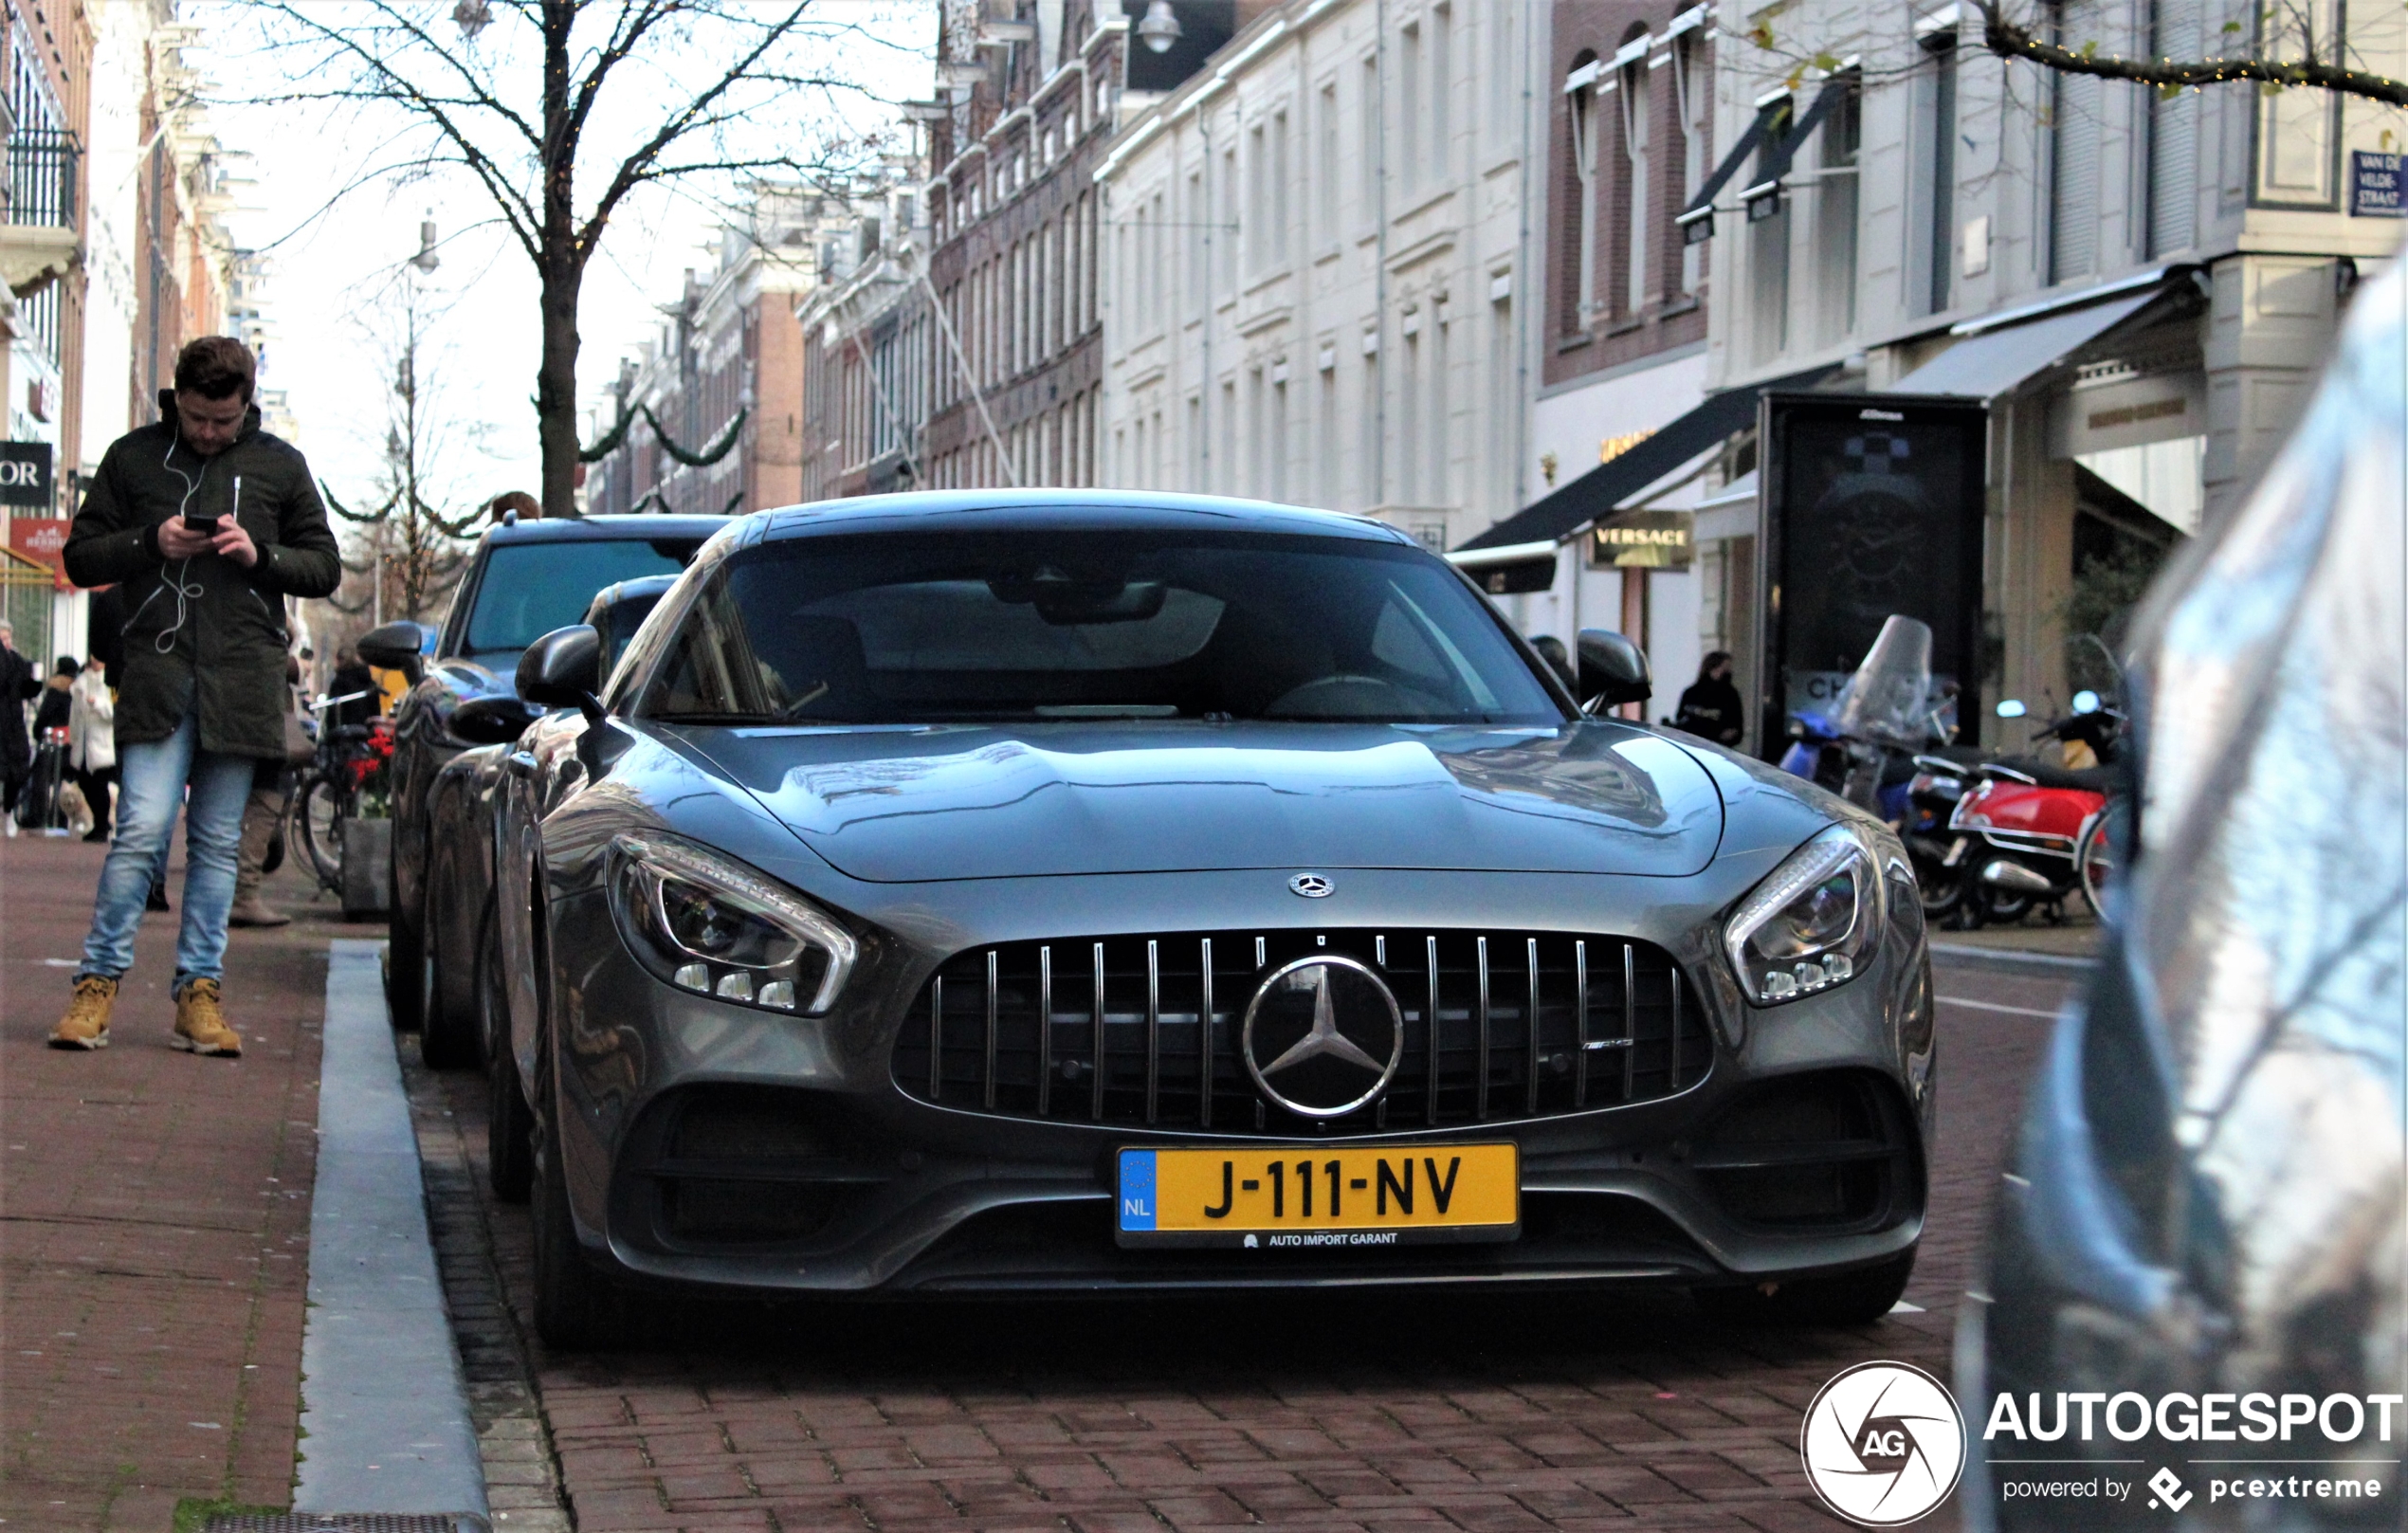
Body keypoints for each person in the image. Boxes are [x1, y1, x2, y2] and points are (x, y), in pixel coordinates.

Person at [47, 336, 340, 1056]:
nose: (209, 432)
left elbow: (325, 566)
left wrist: (259, 555)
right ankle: (96, 983)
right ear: (176, 398)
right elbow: (80, 556)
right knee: (141, 829)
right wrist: (152, 542)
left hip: (241, 679)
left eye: (224, 420)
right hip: (158, 671)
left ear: (246, 407)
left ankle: (199, 992)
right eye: (197, 418)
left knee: (215, 843)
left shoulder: (279, 465)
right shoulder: (133, 457)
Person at [67, 652, 115, 841]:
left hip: (102, 742)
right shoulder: (81, 682)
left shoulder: (111, 680)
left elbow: (114, 711)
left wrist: (99, 705)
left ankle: (102, 824)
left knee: (100, 785)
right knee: (86, 783)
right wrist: (74, 737)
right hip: (84, 743)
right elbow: (75, 715)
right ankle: (99, 822)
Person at [0, 619, 38, 834]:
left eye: (7, 638)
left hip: (14, 724)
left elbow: (26, 688)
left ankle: (9, 810)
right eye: (2, 638)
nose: (6, 642)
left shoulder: (17, 660)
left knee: (19, 769)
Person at [1672, 650, 1747, 747]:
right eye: (1725, 667)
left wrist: (1731, 734)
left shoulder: (1731, 694)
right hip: (1695, 745)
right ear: (1713, 668)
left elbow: (1737, 725)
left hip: (1721, 747)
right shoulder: (1692, 693)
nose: (1729, 671)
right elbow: (1681, 719)